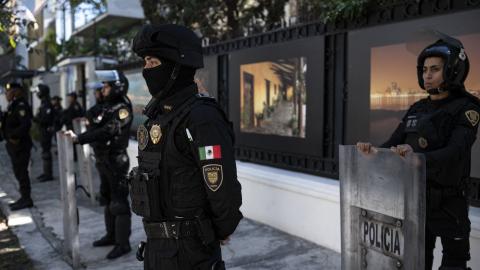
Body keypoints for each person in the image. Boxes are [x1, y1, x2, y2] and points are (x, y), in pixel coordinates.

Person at [357, 35, 479, 270]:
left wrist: (418, 159)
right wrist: (371, 151)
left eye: (435, 69)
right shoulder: (417, 108)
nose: (427, 75)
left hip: (450, 202)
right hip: (416, 200)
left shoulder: (467, 109)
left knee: (454, 263)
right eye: (424, 70)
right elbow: (393, 142)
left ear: (453, 70)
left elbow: (456, 151)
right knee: (417, 260)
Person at [128, 24, 243, 270]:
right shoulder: (158, 117)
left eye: (153, 62)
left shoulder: (201, 117)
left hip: (191, 253)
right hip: (157, 249)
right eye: (145, 62)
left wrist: (221, 229)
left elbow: (221, 188)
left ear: (175, 67)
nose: (146, 69)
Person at [67, 70, 133, 259]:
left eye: (106, 86)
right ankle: (111, 235)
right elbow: (92, 115)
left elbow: (108, 131)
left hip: (116, 161)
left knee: (119, 203)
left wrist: (79, 138)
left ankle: (123, 243)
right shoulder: (107, 107)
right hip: (103, 160)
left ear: (117, 87)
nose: (103, 90)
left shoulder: (122, 109)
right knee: (107, 199)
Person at [0, 82, 34, 211]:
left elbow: (25, 125)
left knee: (21, 172)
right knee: (18, 172)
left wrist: (15, 137)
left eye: (9, 92)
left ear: (16, 92)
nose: (7, 94)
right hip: (14, 146)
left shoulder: (21, 105)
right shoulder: (12, 105)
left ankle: (27, 199)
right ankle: (24, 196)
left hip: (20, 145)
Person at [32, 84, 55, 182]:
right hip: (43, 130)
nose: (37, 94)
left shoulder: (47, 104)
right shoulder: (43, 103)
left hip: (46, 130)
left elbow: (46, 119)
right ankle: (46, 172)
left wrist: (36, 118)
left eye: (38, 92)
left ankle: (48, 174)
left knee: (46, 152)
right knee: (44, 152)